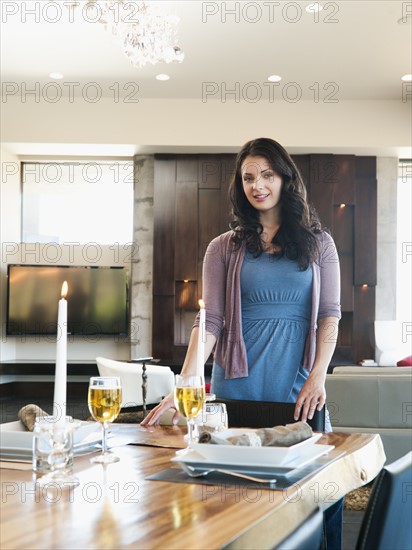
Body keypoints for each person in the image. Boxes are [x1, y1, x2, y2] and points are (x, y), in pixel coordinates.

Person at [141, 137, 342, 549]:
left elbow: (329, 316)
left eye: (267, 174)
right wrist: (187, 384)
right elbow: (209, 319)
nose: (258, 184)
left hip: (299, 386)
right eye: (249, 177)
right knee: (232, 494)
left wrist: (319, 376)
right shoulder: (224, 247)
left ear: (286, 179)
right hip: (237, 386)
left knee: (314, 495)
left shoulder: (320, 244)